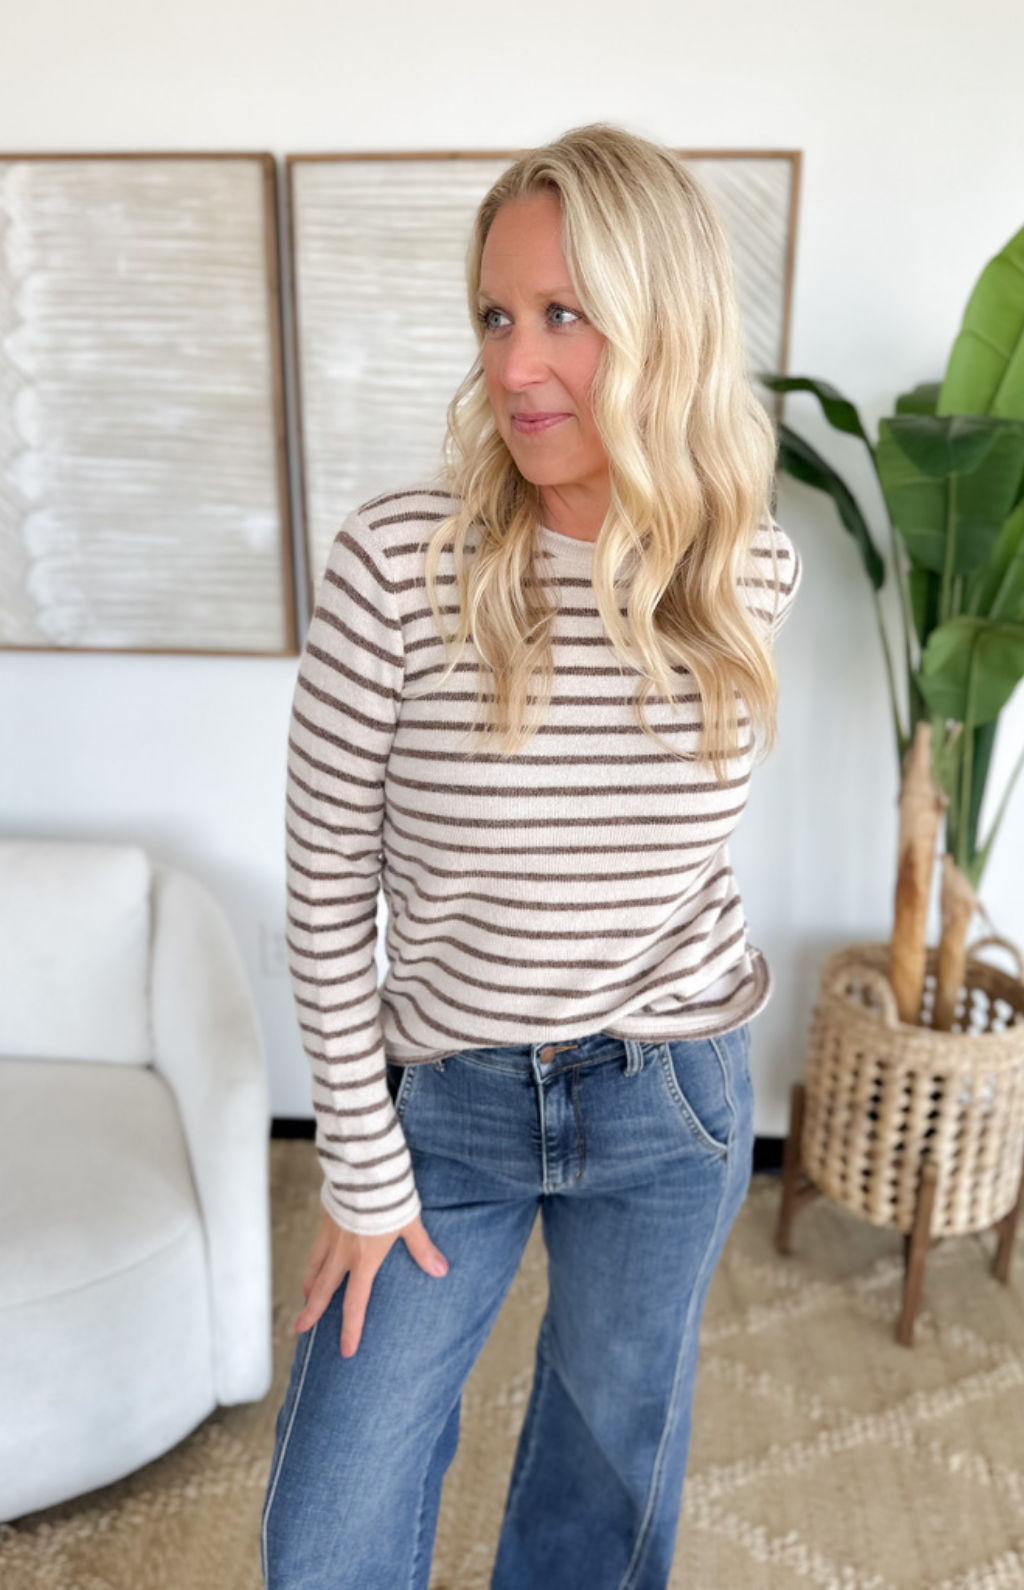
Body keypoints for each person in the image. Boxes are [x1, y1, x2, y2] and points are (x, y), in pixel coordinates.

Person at [261, 121, 802, 1590]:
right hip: (445, 1101)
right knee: (327, 1529)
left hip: (669, 1096)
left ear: (665, 323)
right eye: (497, 317)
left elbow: (671, 866)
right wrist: (359, 1165)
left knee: (602, 1487)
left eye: (566, 313)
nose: (516, 366)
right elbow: (324, 888)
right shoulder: (397, 566)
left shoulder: (750, 571)